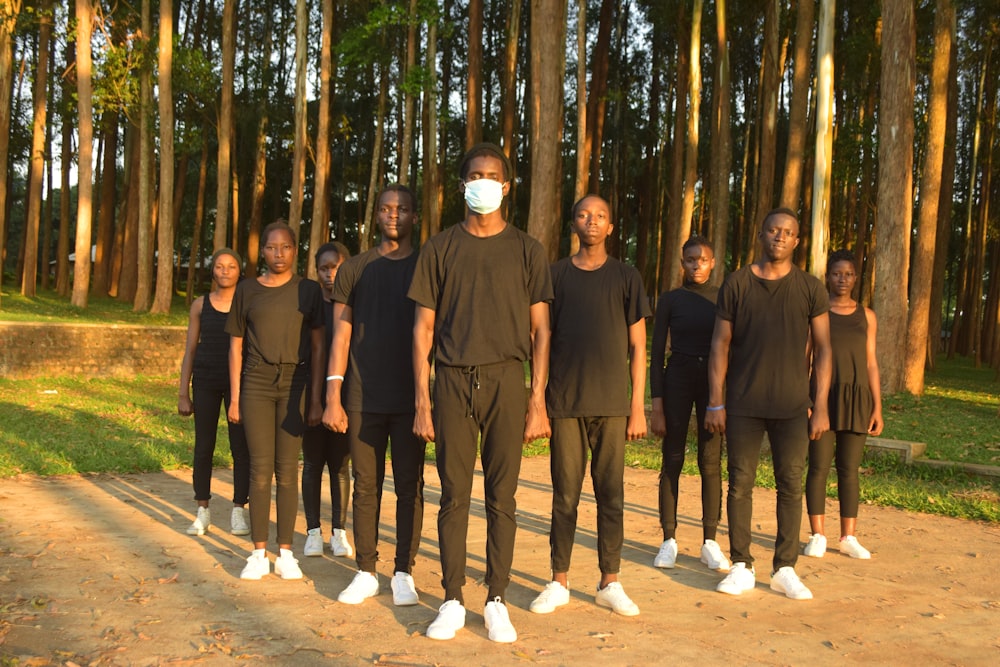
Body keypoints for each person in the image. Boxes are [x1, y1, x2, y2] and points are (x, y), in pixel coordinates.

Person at [409, 143, 552, 643]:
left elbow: (541, 331)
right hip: (450, 379)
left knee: (502, 496)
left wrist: (537, 401)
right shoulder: (440, 247)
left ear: (506, 186)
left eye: (492, 175)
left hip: (507, 380)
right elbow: (422, 330)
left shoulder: (527, 250)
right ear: (462, 184)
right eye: (474, 175)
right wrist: (422, 402)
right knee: (453, 494)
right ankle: (451, 597)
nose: (483, 182)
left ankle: (496, 599)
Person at [528, 194, 649, 618]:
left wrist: (637, 407)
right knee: (564, 496)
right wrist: (538, 402)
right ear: (573, 224)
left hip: (613, 404)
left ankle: (609, 580)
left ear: (611, 226)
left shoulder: (626, 276)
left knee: (610, 494)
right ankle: (558, 579)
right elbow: (540, 339)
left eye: (600, 215)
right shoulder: (555, 275)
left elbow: (638, 346)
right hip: (565, 402)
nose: (591, 221)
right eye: (583, 215)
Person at [706, 208, 832, 601]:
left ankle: (785, 567)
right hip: (743, 402)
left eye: (788, 232)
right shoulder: (738, 283)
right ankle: (741, 564)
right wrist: (715, 402)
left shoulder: (811, 288)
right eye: (773, 230)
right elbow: (719, 345)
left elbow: (825, 349)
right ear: (761, 235)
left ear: (797, 241)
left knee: (790, 484)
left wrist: (821, 405)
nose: (779, 237)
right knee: (740, 483)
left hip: (792, 405)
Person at [322, 184, 426, 607]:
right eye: (385, 208)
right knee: (366, 485)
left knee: (409, 487)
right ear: (375, 216)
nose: (393, 215)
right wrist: (333, 393)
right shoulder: (356, 268)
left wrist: (427, 401)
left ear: (414, 217)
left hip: (410, 400)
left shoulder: (425, 266)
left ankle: (403, 571)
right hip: (362, 395)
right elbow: (340, 334)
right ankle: (366, 570)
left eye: (402, 209)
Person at [226, 220, 325, 581]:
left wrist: (316, 398)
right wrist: (235, 396)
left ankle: (285, 552)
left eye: (285, 247)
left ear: (294, 250)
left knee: (287, 471)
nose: (278, 254)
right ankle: (257, 552)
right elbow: (235, 345)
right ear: (261, 251)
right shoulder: (247, 290)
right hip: (256, 381)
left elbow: (317, 346)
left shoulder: (309, 291)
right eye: (271, 247)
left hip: (296, 383)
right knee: (259, 468)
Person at [649, 236, 728, 572]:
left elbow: (730, 346)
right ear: (682, 262)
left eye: (704, 260)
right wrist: (657, 404)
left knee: (710, 461)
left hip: (712, 381)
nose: (697, 265)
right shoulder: (670, 300)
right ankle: (669, 539)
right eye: (691, 260)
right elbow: (655, 356)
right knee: (673, 458)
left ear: (713, 263)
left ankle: (710, 541)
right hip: (677, 376)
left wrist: (721, 398)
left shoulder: (724, 299)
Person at [803, 250, 883, 560]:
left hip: (857, 398)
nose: (842, 279)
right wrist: (808, 402)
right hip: (823, 397)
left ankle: (849, 536)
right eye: (837, 273)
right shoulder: (818, 313)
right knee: (819, 467)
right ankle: (818, 535)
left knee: (849, 470)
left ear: (855, 278)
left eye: (848, 274)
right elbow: (806, 359)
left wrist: (877, 406)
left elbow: (872, 363)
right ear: (828, 277)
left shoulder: (868, 315)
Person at [177, 248, 250, 537]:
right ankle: (202, 511)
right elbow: (190, 349)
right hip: (205, 380)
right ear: (213, 270)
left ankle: (238, 511)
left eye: (231, 267)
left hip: (239, 384)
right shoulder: (200, 305)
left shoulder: (246, 304)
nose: (224, 271)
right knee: (204, 446)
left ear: (239, 271)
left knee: (240, 449)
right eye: (219, 266)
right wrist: (183, 392)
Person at [301, 242, 354, 559]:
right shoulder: (309, 302)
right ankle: (312, 532)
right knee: (312, 463)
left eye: (335, 267)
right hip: (311, 394)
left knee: (340, 465)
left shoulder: (353, 301)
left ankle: (339, 532)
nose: (330, 273)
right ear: (316, 270)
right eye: (324, 267)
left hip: (345, 394)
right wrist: (313, 401)